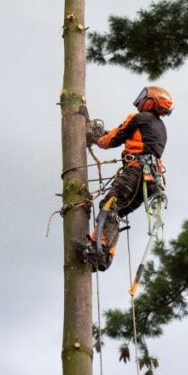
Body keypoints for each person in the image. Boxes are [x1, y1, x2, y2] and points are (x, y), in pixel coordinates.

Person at [80, 85, 172, 272]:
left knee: (110, 205)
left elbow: (113, 139)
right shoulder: (161, 128)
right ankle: (106, 256)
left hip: (136, 171)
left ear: (150, 102)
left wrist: (95, 137)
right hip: (151, 182)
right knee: (117, 213)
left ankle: (98, 248)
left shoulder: (138, 118)